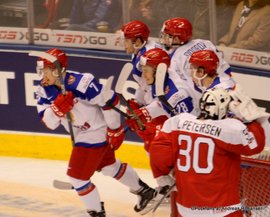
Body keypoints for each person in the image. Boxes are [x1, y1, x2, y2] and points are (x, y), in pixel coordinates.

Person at [32, 48, 158, 217]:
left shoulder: (81, 82)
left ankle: (97, 213)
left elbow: (109, 100)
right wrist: (57, 109)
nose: (42, 76)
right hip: (81, 134)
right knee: (108, 166)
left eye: (45, 71)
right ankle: (145, 191)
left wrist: (114, 129)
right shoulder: (43, 89)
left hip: (96, 132)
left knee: (77, 178)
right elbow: (49, 123)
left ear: (57, 70)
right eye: (41, 70)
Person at [149, 87, 268, 217]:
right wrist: (250, 119)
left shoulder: (178, 122)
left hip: (185, 209)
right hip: (223, 211)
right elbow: (255, 145)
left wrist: (161, 175)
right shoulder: (230, 129)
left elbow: (158, 150)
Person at [125, 48, 199, 151]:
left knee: (155, 144)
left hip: (192, 144)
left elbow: (190, 128)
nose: (143, 75)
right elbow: (159, 103)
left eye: (146, 71)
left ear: (157, 70)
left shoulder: (178, 94)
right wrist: (142, 109)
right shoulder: (161, 79)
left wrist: (158, 131)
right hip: (181, 135)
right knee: (150, 145)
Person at [159, 17, 235, 88]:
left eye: (166, 36)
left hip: (207, 93)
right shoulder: (205, 42)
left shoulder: (175, 58)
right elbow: (225, 67)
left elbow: (188, 87)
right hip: (227, 83)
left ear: (176, 39)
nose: (164, 39)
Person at [120, 20, 161, 107]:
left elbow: (154, 88)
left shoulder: (147, 57)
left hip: (159, 99)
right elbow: (144, 85)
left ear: (138, 41)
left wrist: (147, 110)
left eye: (127, 41)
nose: (124, 44)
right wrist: (138, 101)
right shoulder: (140, 49)